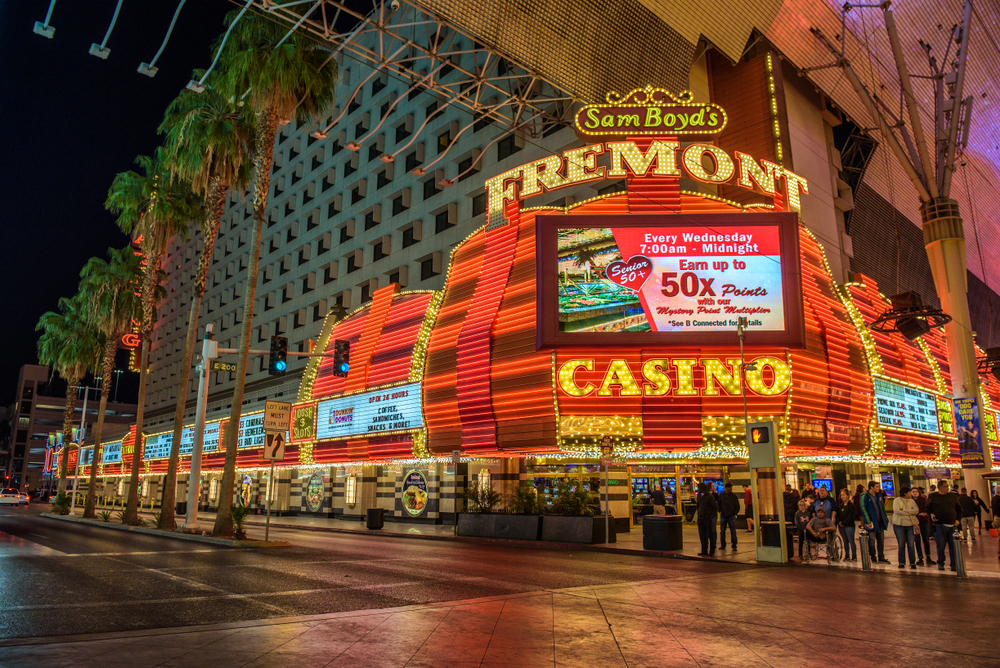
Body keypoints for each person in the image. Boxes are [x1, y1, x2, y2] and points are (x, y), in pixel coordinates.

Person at [926, 479, 963, 571]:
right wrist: (931, 514)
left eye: (947, 486)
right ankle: (941, 562)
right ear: (940, 487)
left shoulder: (952, 497)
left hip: (952, 525)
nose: (947, 488)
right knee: (941, 545)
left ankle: (954, 564)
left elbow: (959, 509)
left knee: (953, 546)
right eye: (945, 486)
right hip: (939, 525)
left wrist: (958, 519)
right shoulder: (933, 496)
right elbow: (927, 507)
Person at [861, 480, 890, 564]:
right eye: (876, 487)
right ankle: (873, 557)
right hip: (872, 522)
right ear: (871, 487)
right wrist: (867, 521)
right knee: (872, 541)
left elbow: (882, 508)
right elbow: (863, 508)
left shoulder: (879, 495)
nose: (878, 488)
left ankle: (881, 557)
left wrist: (885, 518)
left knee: (881, 540)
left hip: (880, 521)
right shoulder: (865, 496)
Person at [891, 486, 920, 569]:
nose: (911, 494)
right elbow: (897, 511)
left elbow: (916, 511)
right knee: (901, 543)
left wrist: (903, 510)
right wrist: (910, 512)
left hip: (911, 525)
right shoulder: (897, 500)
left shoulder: (912, 501)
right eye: (910, 492)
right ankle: (901, 562)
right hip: (899, 525)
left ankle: (912, 562)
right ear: (905, 493)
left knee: (911, 544)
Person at [696, 482, 718, 556]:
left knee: (710, 534)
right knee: (702, 535)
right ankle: (704, 550)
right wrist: (699, 514)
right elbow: (698, 505)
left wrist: (711, 516)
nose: (698, 489)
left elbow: (715, 507)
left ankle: (712, 550)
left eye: (699, 488)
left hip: (707, 518)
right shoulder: (699, 496)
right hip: (701, 518)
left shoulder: (709, 496)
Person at [915, 487, 934, 566]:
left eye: (916, 491)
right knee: (917, 540)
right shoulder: (910, 501)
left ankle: (928, 557)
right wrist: (918, 513)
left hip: (924, 521)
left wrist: (923, 513)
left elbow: (927, 509)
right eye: (913, 492)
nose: (915, 493)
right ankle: (920, 557)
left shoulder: (924, 500)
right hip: (915, 523)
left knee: (926, 540)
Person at [837, 488, 857, 561]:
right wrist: (839, 522)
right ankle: (847, 555)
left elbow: (850, 516)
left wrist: (843, 523)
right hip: (841, 527)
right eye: (841, 495)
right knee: (845, 541)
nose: (842, 496)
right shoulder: (840, 506)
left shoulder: (851, 506)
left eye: (844, 495)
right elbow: (838, 515)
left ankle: (854, 556)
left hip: (849, 526)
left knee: (851, 541)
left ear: (848, 495)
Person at [719, 482, 740, 550]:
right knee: (722, 531)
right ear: (726, 488)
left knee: (732, 530)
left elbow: (737, 506)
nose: (730, 488)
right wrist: (720, 511)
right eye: (729, 487)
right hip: (723, 515)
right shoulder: (721, 495)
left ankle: (734, 544)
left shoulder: (733, 496)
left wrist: (734, 513)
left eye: (731, 487)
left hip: (731, 516)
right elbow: (718, 504)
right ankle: (723, 544)